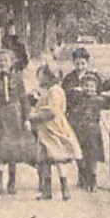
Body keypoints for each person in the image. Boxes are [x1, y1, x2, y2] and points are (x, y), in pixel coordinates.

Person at [0, 49, 36, 195]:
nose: (3, 63)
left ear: (12, 62)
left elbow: (24, 100)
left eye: (6, 60)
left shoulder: (18, 80)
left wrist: (26, 119)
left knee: (13, 150)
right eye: (0, 60)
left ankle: (12, 182)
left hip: (14, 117)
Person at [28, 63, 81, 200]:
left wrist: (33, 116)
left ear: (48, 77)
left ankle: (64, 188)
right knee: (44, 160)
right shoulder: (49, 90)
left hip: (53, 128)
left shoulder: (55, 91)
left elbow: (52, 111)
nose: (38, 80)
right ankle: (47, 190)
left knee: (58, 158)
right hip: (45, 129)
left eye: (40, 77)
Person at [60, 49, 108, 192]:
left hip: (90, 119)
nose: (80, 67)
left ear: (87, 63)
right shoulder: (69, 78)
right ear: (73, 63)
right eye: (77, 63)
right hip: (75, 119)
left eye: (83, 63)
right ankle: (82, 174)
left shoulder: (94, 77)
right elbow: (63, 97)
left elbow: (99, 97)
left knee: (92, 150)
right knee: (77, 148)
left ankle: (92, 178)